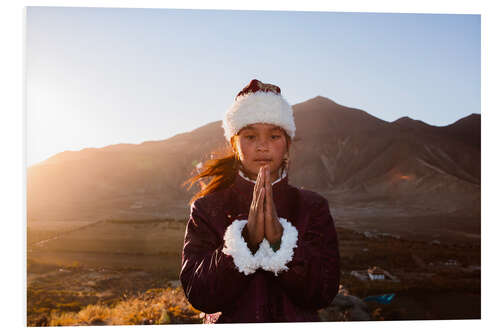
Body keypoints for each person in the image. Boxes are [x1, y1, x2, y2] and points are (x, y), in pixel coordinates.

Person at [180, 79, 340, 323]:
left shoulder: (312, 207)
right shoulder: (207, 208)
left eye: (274, 135)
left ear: (287, 144)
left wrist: (282, 244)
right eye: (250, 136)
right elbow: (199, 294)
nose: (263, 145)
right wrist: (243, 243)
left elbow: (323, 292)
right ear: (235, 144)